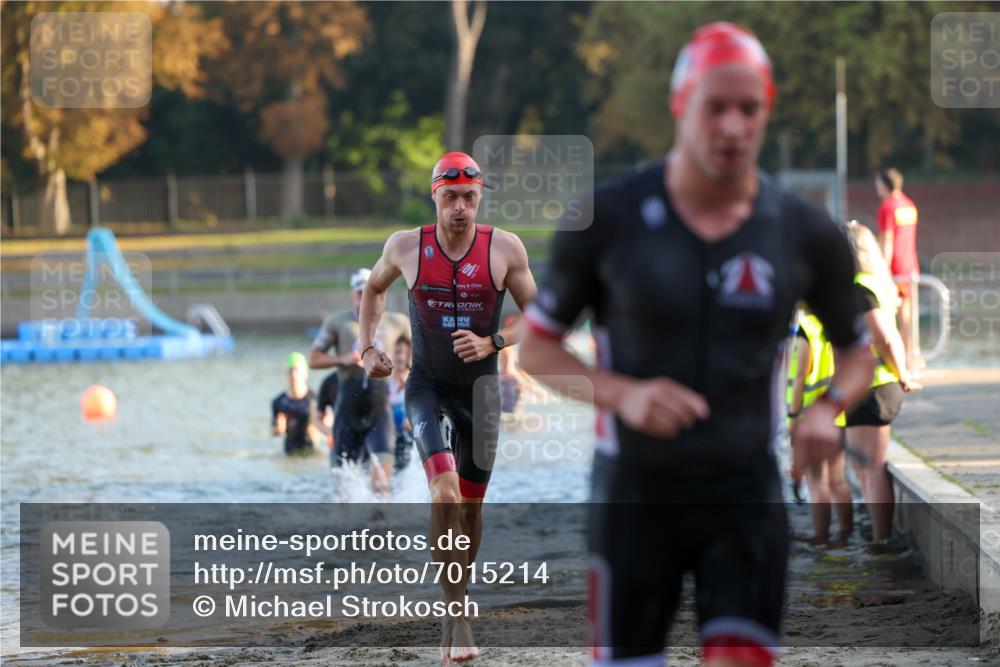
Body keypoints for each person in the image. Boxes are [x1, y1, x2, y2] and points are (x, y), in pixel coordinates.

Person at [519, 23, 876, 667]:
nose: (734, 126)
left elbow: (858, 352)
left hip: (744, 493)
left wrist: (827, 407)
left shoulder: (804, 232)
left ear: (766, 112)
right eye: (717, 107)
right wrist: (622, 395)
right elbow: (536, 351)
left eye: (751, 109)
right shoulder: (607, 219)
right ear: (681, 105)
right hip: (634, 492)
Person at [358, 151, 538, 665]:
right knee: (444, 490)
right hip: (428, 386)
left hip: (481, 394)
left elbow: (541, 316)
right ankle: (455, 611)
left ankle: (456, 601)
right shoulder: (405, 247)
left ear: (480, 197)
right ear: (434, 194)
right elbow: (373, 290)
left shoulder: (504, 249)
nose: (460, 207)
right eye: (451, 196)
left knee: (471, 508)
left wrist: (494, 343)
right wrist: (368, 347)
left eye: (470, 198)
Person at [843, 221, 922, 543]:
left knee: (871, 466)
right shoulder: (876, 283)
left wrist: (902, 372)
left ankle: (880, 539)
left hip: (874, 386)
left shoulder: (860, 288)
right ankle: (875, 532)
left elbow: (884, 337)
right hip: (869, 385)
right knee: (863, 465)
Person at [309, 268, 410, 495]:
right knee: (345, 491)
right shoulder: (339, 322)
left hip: (379, 408)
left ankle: (383, 528)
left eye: (370, 292)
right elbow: (313, 359)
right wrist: (343, 358)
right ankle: (350, 529)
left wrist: (407, 371)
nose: (365, 297)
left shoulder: (396, 322)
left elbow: (421, 350)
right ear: (352, 295)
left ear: (380, 293)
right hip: (347, 408)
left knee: (382, 484)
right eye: (360, 292)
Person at [787, 309, 853, 543]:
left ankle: (820, 537)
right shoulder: (831, 323)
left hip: (811, 419)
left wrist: (793, 418)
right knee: (838, 480)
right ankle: (847, 532)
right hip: (836, 415)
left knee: (817, 483)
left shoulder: (805, 331)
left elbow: (798, 378)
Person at [875, 168, 921, 372]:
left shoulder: (887, 207)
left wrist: (882, 269)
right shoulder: (909, 205)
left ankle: (904, 359)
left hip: (895, 268)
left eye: (878, 183)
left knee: (893, 315)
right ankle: (914, 354)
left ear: (885, 185)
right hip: (911, 264)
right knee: (909, 315)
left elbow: (888, 240)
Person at [272, 352, 321, 455]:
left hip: (312, 452)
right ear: (286, 374)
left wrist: (317, 429)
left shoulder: (315, 399)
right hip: (289, 453)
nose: (293, 375)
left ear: (306, 374)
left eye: (297, 371)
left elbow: (329, 426)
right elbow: (274, 432)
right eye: (290, 371)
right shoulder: (278, 401)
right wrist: (278, 429)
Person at [389, 336, 414, 471]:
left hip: (410, 434)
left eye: (400, 352)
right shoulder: (383, 382)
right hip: (389, 434)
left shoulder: (415, 380)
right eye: (395, 352)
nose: (398, 357)